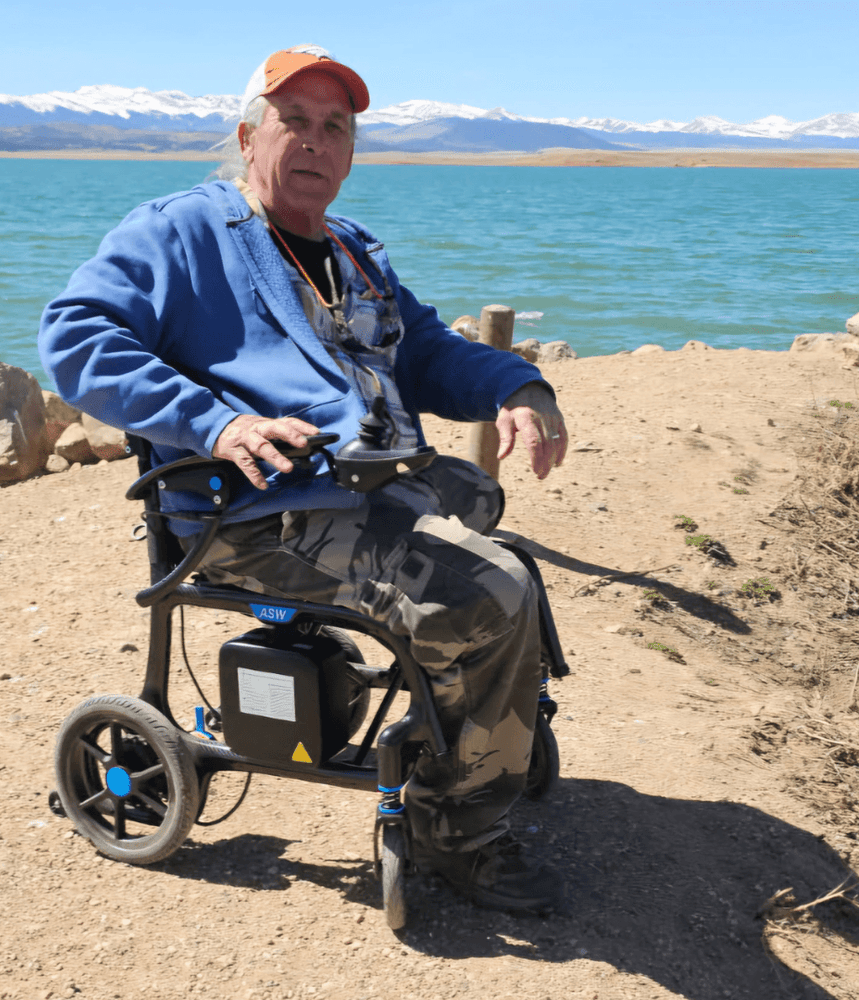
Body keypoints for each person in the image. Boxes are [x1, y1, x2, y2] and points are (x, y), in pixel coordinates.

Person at [38, 44, 569, 914]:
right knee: (491, 590)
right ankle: (455, 833)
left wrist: (515, 384)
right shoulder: (182, 230)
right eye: (295, 122)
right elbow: (76, 339)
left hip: (375, 495)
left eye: (336, 127)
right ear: (249, 136)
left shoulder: (353, 251)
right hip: (255, 518)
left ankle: (468, 738)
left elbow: (428, 350)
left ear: (351, 150)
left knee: (491, 536)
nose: (316, 142)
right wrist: (218, 420)